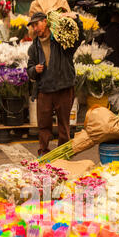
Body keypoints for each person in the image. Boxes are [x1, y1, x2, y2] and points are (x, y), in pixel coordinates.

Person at [27, 11, 84, 157]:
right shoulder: (34, 47)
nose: (35, 28)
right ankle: (43, 153)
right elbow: (29, 69)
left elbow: (79, 38)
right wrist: (34, 70)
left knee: (64, 124)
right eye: (33, 26)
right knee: (43, 125)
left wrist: (76, 20)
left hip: (63, 87)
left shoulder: (61, 42)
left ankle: (63, 153)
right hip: (44, 90)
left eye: (37, 24)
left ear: (45, 22)